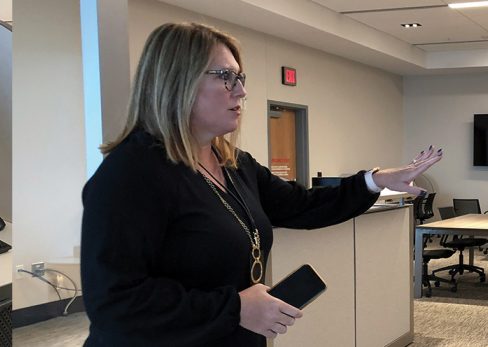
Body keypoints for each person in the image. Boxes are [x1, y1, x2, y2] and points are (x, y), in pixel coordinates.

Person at [80, 22, 442, 346]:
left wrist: (376, 181)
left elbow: (304, 205)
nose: (241, 92)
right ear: (177, 80)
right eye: (225, 76)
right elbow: (115, 303)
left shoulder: (233, 164)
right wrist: (234, 307)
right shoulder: (130, 175)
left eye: (241, 78)